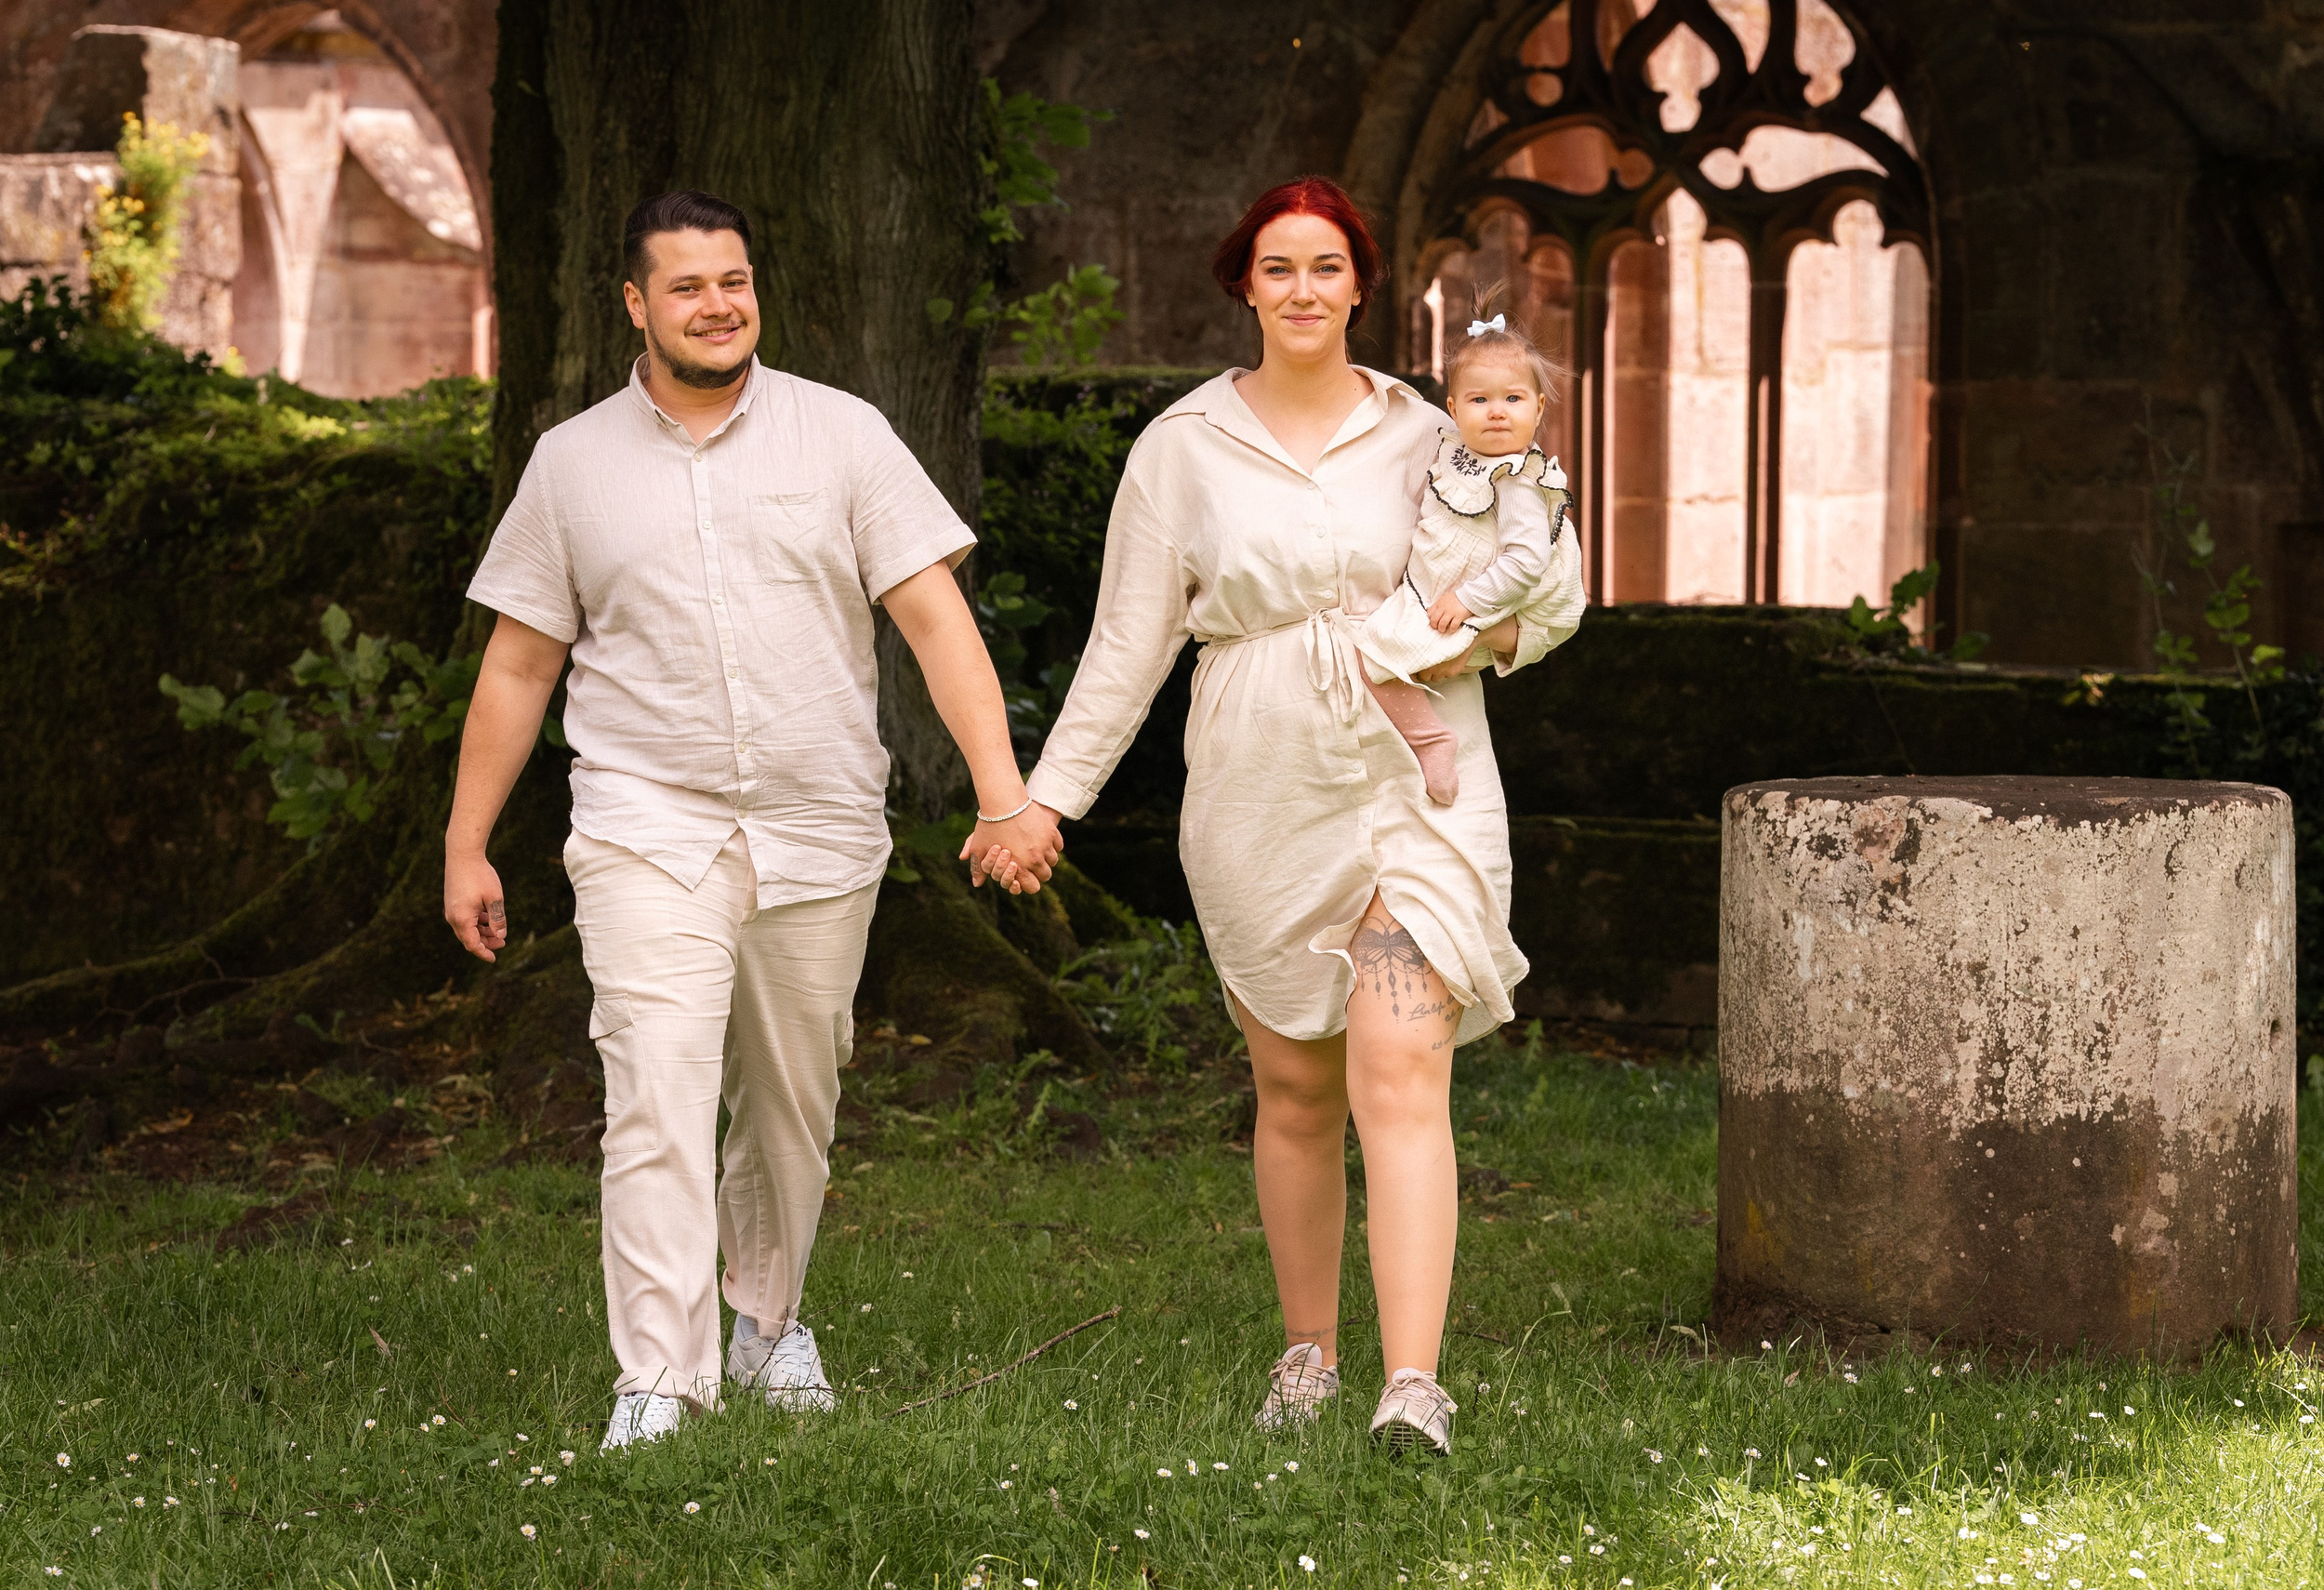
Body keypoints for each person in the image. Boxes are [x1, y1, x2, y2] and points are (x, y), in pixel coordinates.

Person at [442, 190, 1061, 1452]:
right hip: (644, 824)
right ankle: (660, 1380)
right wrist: (466, 843)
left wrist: (1004, 792)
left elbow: (935, 618)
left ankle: (768, 1320)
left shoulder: (843, 435)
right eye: (687, 286)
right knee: (655, 1092)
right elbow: (517, 663)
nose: (717, 305)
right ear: (636, 304)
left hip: (818, 822)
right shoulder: (571, 464)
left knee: (791, 1104)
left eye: (733, 280)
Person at [1010, 176, 1543, 1456]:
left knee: (1399, 1066)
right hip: (1258, 777)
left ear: (1362, 286)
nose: (1303, 289)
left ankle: (1412, 1382)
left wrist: (1501, 636)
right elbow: (1127, 642)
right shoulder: (1179, 448)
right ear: (1244, 287)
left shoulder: (1433, 433)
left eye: (1327, 267)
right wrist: (1048, 798)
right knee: (1296, 1088)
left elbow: (1541, 564)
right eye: (1278, 267)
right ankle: (1309, 1351)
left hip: (1419, 775)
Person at [1351, 302, 1586, 805]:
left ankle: (1430, 740)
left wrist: (1468, 602)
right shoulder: (1457, 454)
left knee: (1370, 656)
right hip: (1458, 595)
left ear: (1538, 408)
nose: (1497, 411)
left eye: (1513, 398)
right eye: (1480, 399)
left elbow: (1525, 562)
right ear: (1454, 410)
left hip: (1487, 596)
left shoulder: (1516, 480)